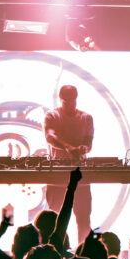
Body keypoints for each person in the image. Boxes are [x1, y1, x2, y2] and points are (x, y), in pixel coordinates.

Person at [45, 85, 94, 240]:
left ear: (76, 98)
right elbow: (50, 136)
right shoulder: (52, 116)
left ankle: (82, 249)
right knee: (55, 218)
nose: (70, 103)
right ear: (61, 99)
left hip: (80, 174)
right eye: (66, 100)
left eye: (72, 100)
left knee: (83, 218)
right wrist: (68, 147)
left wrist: (82, 148)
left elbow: (88, 143)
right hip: (58, 174)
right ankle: (56, 249)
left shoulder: (86, 118)